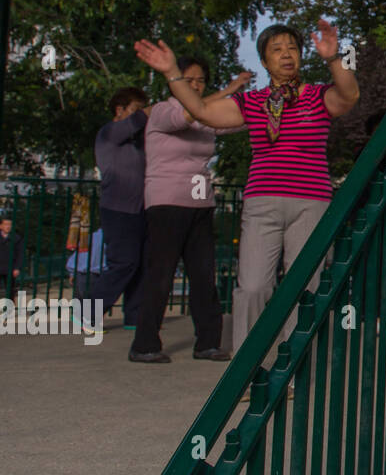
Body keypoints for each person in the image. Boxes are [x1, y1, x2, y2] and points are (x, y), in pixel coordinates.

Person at [135, 20, 359, 355]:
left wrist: (333, 58)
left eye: (292, 48)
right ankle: (250, 365)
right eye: (277, 49)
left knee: (302, 287)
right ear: (265, 62)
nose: (286, 55)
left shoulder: (317, 96)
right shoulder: (252, 102)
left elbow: (349, 95)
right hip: (262, 202)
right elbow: (201, 110)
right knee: (253, 286)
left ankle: (291, 364)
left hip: (311, 202)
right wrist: (172, 73)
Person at [128, 56, 251, 364]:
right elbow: (187, 114)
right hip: (166, 203)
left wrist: (275, 110)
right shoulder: (163, 111)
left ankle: (207, 343)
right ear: (175, 81)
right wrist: (231, 88)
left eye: (200, 81)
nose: (196, 86)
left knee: (203, 275)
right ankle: (144, 345)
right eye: (190, 80)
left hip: (200, 204)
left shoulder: (204, 118)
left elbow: (235, 122)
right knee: (161, 275)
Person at [87, 88, 154, 331]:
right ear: (120, 110)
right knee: (123, 262)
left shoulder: (138, 142)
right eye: (136, 108)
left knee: (141, 264)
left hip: (140, 209)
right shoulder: (110, 132)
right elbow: (139, 119)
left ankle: (134, 316)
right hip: (117, 208)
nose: (140, 116)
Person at [0, 215, 24, 299]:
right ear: (1, 226)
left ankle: (10, 309)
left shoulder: (16, 238)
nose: (8, 226)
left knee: (10, 290)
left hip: (10, 268)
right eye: (6, 224)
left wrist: (17, 268)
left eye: (10, 224)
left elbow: (20, 254)